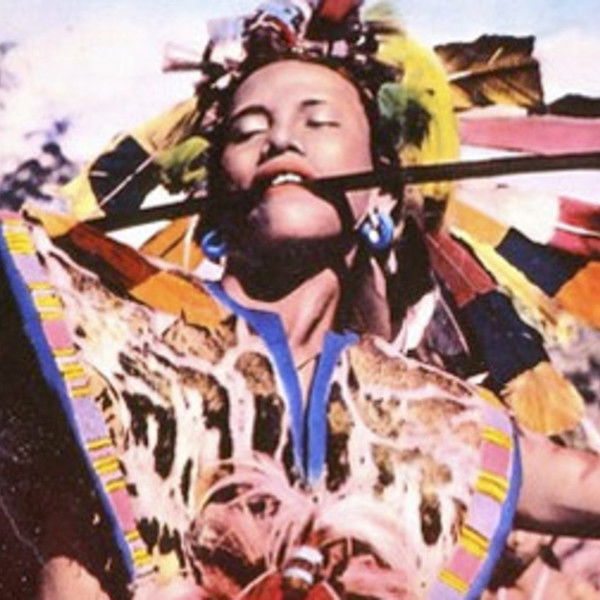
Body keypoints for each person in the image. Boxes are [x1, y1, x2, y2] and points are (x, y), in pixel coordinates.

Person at [1, 3, 599, 599]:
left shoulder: (442, 418)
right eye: (247, 130)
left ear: (382, 192)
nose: (281, 139)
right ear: (214, 196)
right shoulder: (100, 333)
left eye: (321, 122)